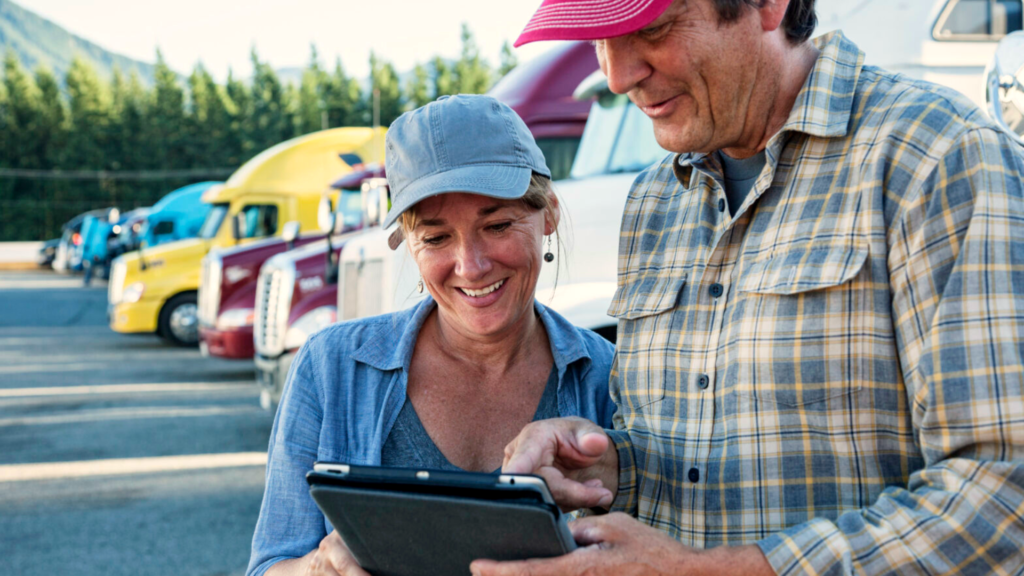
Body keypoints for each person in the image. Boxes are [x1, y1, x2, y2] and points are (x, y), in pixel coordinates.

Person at [473, 1, 1024, 575]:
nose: (616, 75)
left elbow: (1003, 493)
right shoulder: (653, 201)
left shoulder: (938, 156)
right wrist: (607, 467)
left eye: (652, 29)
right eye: (600, 40)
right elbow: (704, 460)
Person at [246, 94, 617, 576]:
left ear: (548, 213)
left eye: (498, 225)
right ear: (408, 243)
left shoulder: (608, 377)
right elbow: (270, 565)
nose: (471, 266)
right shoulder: (330, 367)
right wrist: (316, 568)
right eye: (436, 238)